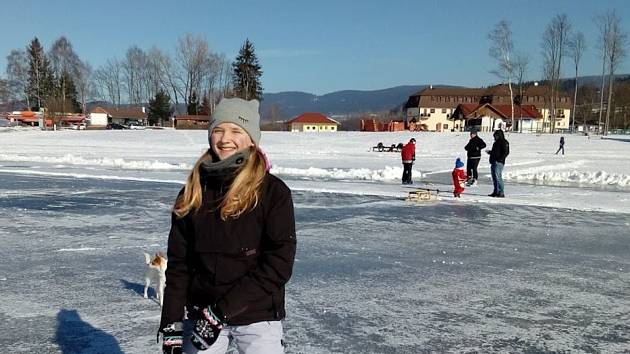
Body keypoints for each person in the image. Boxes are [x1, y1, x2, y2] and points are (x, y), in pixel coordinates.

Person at [159, 98, 296, 354]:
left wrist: (220, 312)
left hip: (257, 312)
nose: (224, 139)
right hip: (201, 316)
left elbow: (278, 265)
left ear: (252, 139)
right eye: (218, 130)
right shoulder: (192, 192)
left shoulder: (273, 193)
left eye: (236, 131)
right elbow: (179, 264)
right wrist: (171, 323)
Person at [486, 129, 510, 198]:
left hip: (499, 163)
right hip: (493, 162)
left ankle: (501, 192)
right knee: (494, 178)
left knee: (498, 177)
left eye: (496, 136)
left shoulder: (504, 142)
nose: (495, 137)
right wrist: (490, 152)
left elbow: (506, 152)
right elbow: (495, 152)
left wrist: (500, 159)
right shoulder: (496, 143)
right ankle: (496, 191)